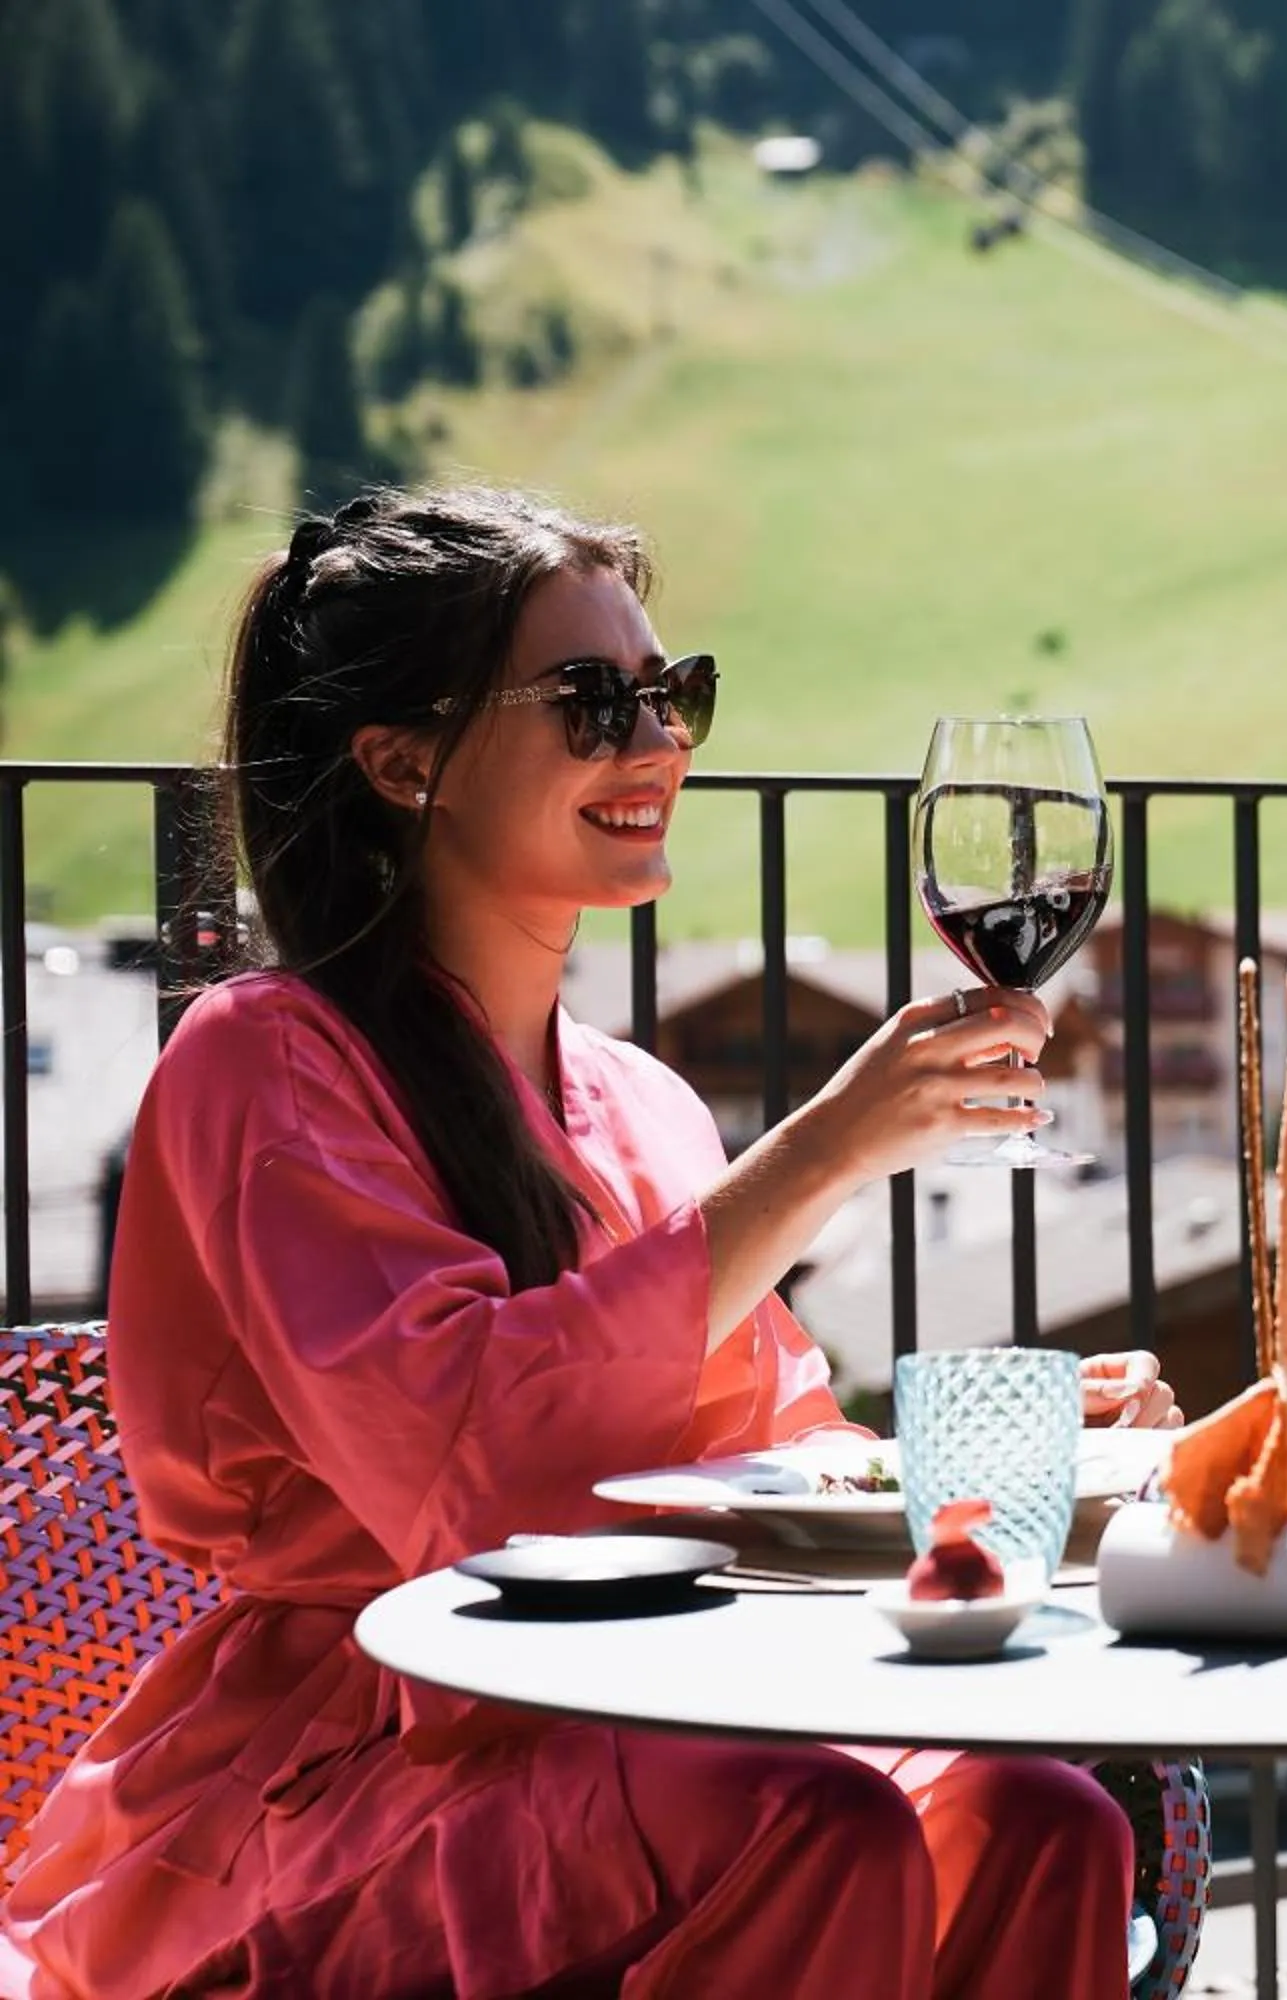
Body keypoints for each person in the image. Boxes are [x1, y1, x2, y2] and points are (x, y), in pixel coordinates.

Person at [2, 487, 1181, 2000]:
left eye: (670, 693)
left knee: (1039, 1817)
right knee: (814, 1824)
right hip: (361, 1768)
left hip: (640, 1715)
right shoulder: (265, 1063)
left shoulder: (644, 1102)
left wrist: (1009, 1446)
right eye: (591, 701)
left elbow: (771, 1446)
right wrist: (824, 1148)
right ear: (402, 758)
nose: (659, 743)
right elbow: (471, 1466)